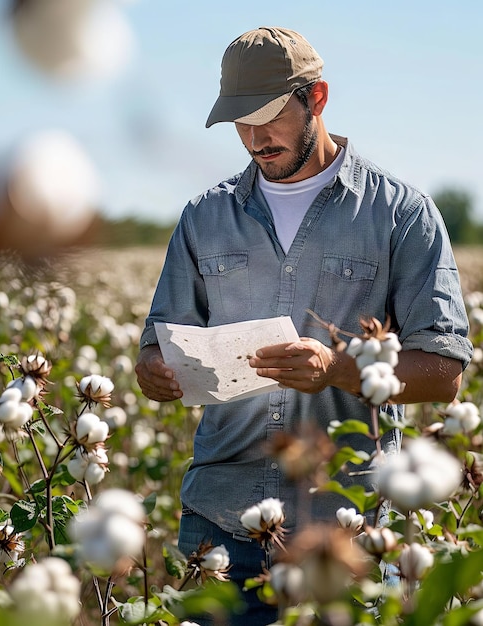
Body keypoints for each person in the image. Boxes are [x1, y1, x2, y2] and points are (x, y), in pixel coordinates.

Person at [135, 26, 473, 625]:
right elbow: (157, 343)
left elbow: (444, 373)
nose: (255, 138)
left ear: (315, 99)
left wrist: (338, 369)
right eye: (239, 122)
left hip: (350, 528)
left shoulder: (402, 213)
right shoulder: (203, 217)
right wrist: (155, 372)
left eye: (268, 117)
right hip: (221, 523)